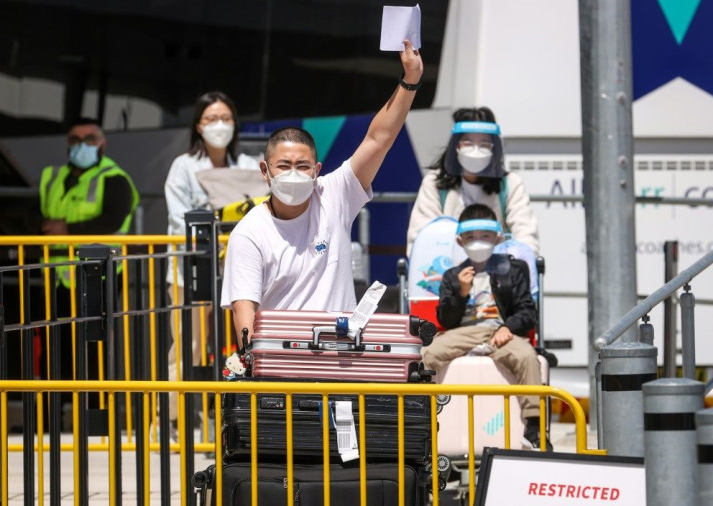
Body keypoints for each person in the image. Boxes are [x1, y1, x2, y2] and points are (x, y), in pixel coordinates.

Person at [221, 39, 424, 346]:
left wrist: (410, 81)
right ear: (266, 172)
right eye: (283, 165)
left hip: (343, 359)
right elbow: (244, 309)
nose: (293, 173)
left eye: (302, 166)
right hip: (283, 365)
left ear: (316, 171)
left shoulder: (336, 194)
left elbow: (379, 138)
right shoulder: (248, 233)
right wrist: (252, 362)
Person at [164, 91, 262, 425]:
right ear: (198, 125)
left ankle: (246, 417)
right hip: (191, 271)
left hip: (240, 270)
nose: (219, 126)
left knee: (246, 342)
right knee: (187, 347)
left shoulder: (250, 166)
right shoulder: (183, 167)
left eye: (225, 118)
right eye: (211, 119)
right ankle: (174, 421)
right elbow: (179, 219)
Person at [420, 203, 551, 450]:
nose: (478, 242)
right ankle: (420, 420)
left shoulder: (514, 269)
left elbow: (527, 311)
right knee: (426, 355)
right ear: (460, 242)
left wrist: (508, 327)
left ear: (498, 238)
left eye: (485, 236)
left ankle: (534, 428)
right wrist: (461, 292)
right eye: (470, 237)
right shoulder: (452, 275)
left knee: (526, 357)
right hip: (463, 332)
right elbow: (446, 320)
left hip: (500, 331)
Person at [406, 107, 539, 257]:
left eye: (484, 144)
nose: (476, 150)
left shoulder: (510, 184)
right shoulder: (435, 183)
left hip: (497, 272)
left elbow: (526, 234)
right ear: (456, 145)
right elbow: (421, 237)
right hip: (448, 271)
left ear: (494, 148)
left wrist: (519, 263)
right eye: (468, 143)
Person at [39, 118, 139, 288]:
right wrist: (42, 225)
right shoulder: (52, 176)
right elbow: (34, 212)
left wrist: (67, 229)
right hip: (56, 276)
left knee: (96, 316)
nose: (82, 145)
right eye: (75, 140)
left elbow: (113, 220)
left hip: (99, 274)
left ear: (102, 144)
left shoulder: (114, 178)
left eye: (90, 139)